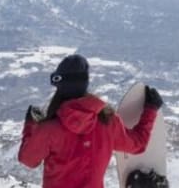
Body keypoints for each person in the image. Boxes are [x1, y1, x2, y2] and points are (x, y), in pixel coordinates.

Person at [18, 54, 164, 188]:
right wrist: (150, 110)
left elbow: (28, 160)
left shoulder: (49, 129)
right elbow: (138, 144)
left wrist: (31, 125)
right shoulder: (107, 121)